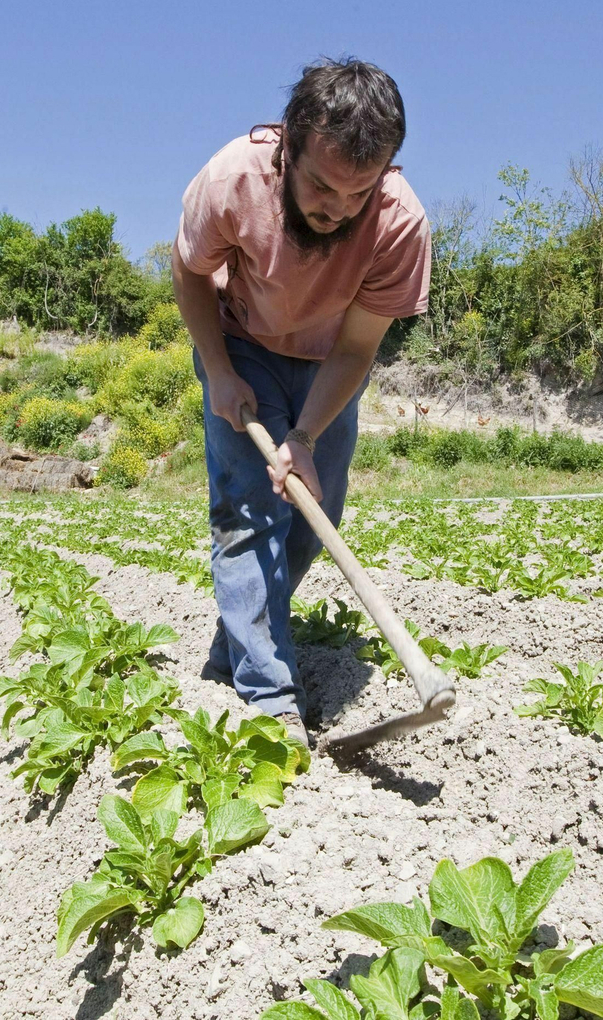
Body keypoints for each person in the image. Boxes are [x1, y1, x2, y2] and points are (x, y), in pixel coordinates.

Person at [172, 58, 431, 748]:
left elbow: (357, 348)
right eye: (320, 184)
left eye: (358, 193)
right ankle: (269, 699)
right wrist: (220, 372)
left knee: (312, 523)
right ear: (288, 144)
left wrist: (306, 438)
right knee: (247, 517)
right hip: (242, 342)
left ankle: (238, 644)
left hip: (326, 364)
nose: (335, 208)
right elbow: (189, 271)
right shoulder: (233, 178)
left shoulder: (401, 224)